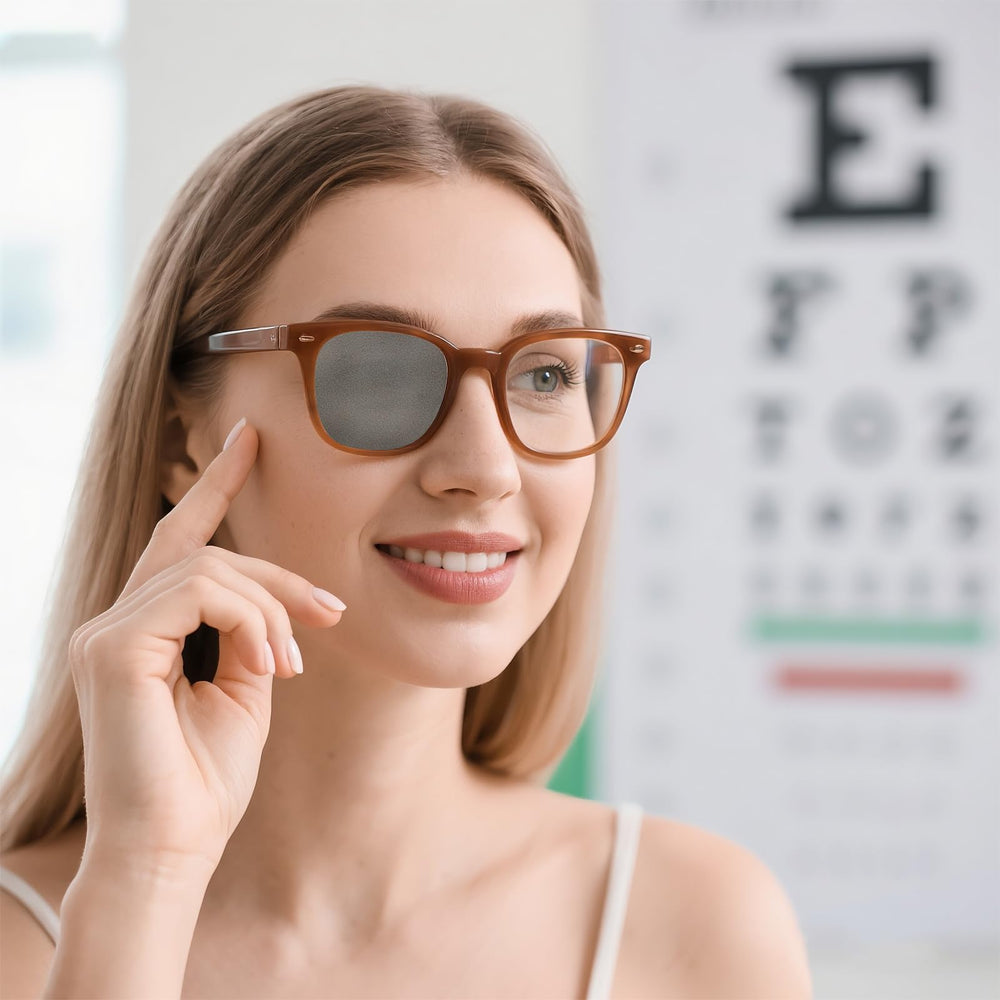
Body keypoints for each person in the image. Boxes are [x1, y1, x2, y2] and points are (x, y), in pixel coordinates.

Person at [0, 84, 812, 998]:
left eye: (543, 373)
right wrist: (142, 878)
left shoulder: (698, 926)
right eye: (378, 373)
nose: (486, 466)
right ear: (182, 442)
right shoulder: (29, 942)